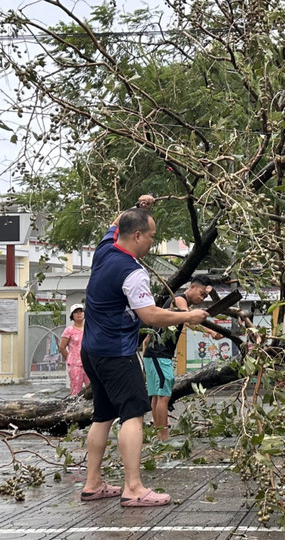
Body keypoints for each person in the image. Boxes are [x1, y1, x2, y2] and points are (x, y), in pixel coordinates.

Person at [80, 195, 208, 507]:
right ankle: (133, 488)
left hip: (92, 351)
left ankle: (93, 483)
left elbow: (116, 224)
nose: (152, 242)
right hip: (116, 354)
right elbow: (149, 316)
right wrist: (188, 316)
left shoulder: (104, 249)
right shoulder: (132, 271)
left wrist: (140, 208)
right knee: (133, 415)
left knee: (103, 415)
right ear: (137, 236)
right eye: (151, 236)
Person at [143, 275, 218, 441]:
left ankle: (159, 434)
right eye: (200, 293)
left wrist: (211, 332)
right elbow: (189, 318)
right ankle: (164, 437)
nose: (201, 297)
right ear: (191, 287)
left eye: (205, 296)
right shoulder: (179, 299)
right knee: (163, 396)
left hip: (158, 354)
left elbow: (189, 322)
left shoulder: (182, 305)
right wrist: (209, 329)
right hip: (158, 353)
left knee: (157, 396)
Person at [59, 304, 90, 396]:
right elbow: (62, 347)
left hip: (89, 363)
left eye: (81, 311)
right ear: (72, 315)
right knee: (76, 390)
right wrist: (70, 358)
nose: (79, 314)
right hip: (75, 364)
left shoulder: (89, 329)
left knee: (92, 388)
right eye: (76, 312)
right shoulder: (69, 330)